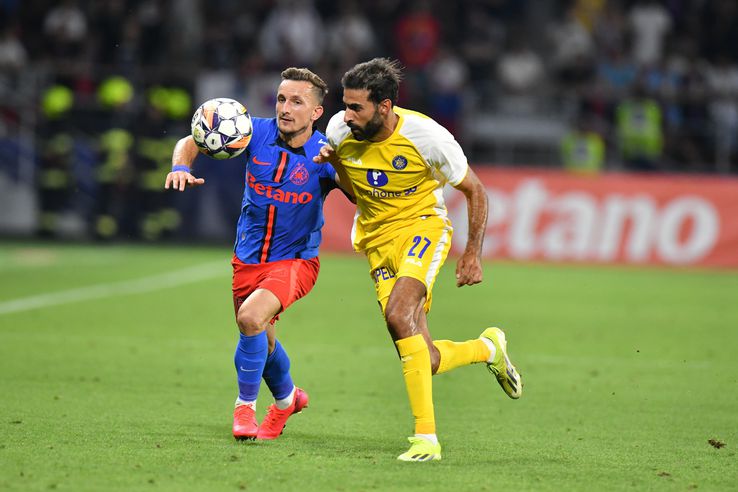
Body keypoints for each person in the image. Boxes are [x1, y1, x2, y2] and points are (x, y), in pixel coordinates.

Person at [314, 58, 522, 462]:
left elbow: (476, 191)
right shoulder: (340, 130)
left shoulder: (428, 138)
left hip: (422, 229)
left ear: (385, 106)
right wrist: (336, 162)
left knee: (398, 314)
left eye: (357, 107)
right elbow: (357, 195)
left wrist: (472, 254)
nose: (347, 114)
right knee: (422, 357)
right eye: (345, 104)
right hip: (377, 241)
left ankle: (425, 439)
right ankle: (488, 349)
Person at [165, 68, 349, 441]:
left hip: (297, 261)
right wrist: (181, 165)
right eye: (281, 99)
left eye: (297, 101)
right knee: (260, 340)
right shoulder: (255, 131)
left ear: (316, 112)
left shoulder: (326, 153)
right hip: (246, 260)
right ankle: (286, 400)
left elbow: (360, 197)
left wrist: (341, 165)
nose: (285, 107)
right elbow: (193, 139)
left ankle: (243, 410)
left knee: (251, 319)